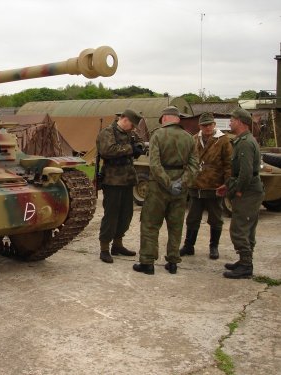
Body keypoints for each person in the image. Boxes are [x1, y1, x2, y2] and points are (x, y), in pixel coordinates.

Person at [133, 106, 198, 275]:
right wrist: (180, 183)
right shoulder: (189, 138)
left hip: (158, 187)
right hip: (180, 187)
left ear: (165, 118)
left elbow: (154, 164)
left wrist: (168, 183)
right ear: (177, 119)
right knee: (175, 225)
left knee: (150, 224)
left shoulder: (158, 135)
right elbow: (194, 166)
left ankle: (147, 262)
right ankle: (173, 261)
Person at [216, 108, 264, 279]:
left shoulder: (244, 143)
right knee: (247, 227)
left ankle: (246, 265)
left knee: (239, 228)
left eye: (232, 120)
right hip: (250, 189)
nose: (230, 122)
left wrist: (238, 191)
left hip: (248, 191)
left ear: (241, 122)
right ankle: (244, 260)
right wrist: (227, 186)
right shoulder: (245, 140)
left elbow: (245, 173)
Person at [180, 112, 232, 260]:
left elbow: (229, 164)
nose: (207, 127)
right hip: (196, 186)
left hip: (214, 186)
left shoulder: (223, 140)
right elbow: (187, 161)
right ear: (200, 126)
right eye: (204, 125)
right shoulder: (194, 139)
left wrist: (226, 183)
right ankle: (189, 246)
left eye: (210, 124)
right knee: (192, 218)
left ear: (214, 125)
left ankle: (213, 246)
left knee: (215, 219)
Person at [96, 109, 145, 263]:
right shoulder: (108, 132)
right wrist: (130, 149)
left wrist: (139, 147)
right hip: (113, 180)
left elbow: (140, 142)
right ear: (124, 119)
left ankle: (117, 245)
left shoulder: (130, 133)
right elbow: (107, 150)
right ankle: (104, 248)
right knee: (111, 215)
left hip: (128, 179)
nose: (133, 128)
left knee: (126, 215)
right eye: (132, 124)